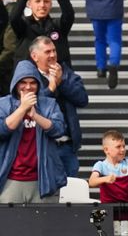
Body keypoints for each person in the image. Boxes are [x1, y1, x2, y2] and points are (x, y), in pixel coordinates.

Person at [0, 60, 66, 203]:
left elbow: (59, 129)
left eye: (33, 82)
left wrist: (35, 116)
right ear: (15, 83)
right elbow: (2, 130)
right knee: (9, 224)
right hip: (10, 179)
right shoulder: (4, 104)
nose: (28, 87)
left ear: (38, 84)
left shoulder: (49, 104)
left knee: (45, 225)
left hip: (43, 178)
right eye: (23, 82)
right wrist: (22, 109)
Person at [28, 36, 87, 178]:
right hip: (40, 147)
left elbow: (83, 99)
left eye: (54, 50)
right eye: (47, 52)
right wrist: (52, 87)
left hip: (66, 147)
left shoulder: (66, 72)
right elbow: (34, 105)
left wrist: (61, 82)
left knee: (69, 194)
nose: (53, 55)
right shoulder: (28, 78)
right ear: (35, 56)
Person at [89, 130, 128, 236]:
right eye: (118, 147)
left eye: (124, 146)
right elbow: (91, 181)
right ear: (106, 150)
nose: (123, 149)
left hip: (127, 210)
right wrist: (105, 179)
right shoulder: (100, 165)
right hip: (108, 211)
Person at [10, 0, 75, 66]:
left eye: (46, 1)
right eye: (37, 1)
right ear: (29, 4)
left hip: (57, 77)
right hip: (29, 79)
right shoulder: (23, 26)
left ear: (51, 5)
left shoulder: (57, 25)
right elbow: (13, 18)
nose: (42, 5)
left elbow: (69, 14)